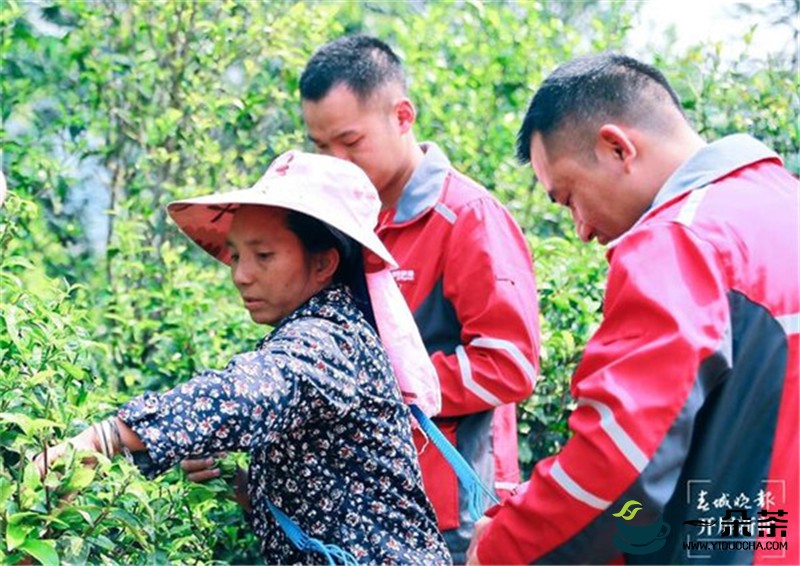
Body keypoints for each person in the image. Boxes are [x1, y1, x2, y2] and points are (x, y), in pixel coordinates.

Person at [36, 150, 452, 565]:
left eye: (263, 256)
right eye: (236, 255)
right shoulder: (317, 328)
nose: (241, 275)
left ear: (324, 262)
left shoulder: (330, 339)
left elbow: (249, 392)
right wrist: (245, 486)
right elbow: (330, 496)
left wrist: (102, 439)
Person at [467, 53, 799, 565]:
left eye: (569, 197)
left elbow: (623, 468)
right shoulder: (784, 206)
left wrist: (505, 546)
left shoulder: (682, 241)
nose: (580, 228)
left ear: (617, 147)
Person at [298, 34, 542, 562]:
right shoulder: (346, 223)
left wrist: (387, 385)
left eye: (350, 141)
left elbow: (511, 365)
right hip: (366, 509)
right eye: (321, 146)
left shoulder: (467, 217)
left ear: (402, 116)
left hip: (451, 509)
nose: (335, 161)